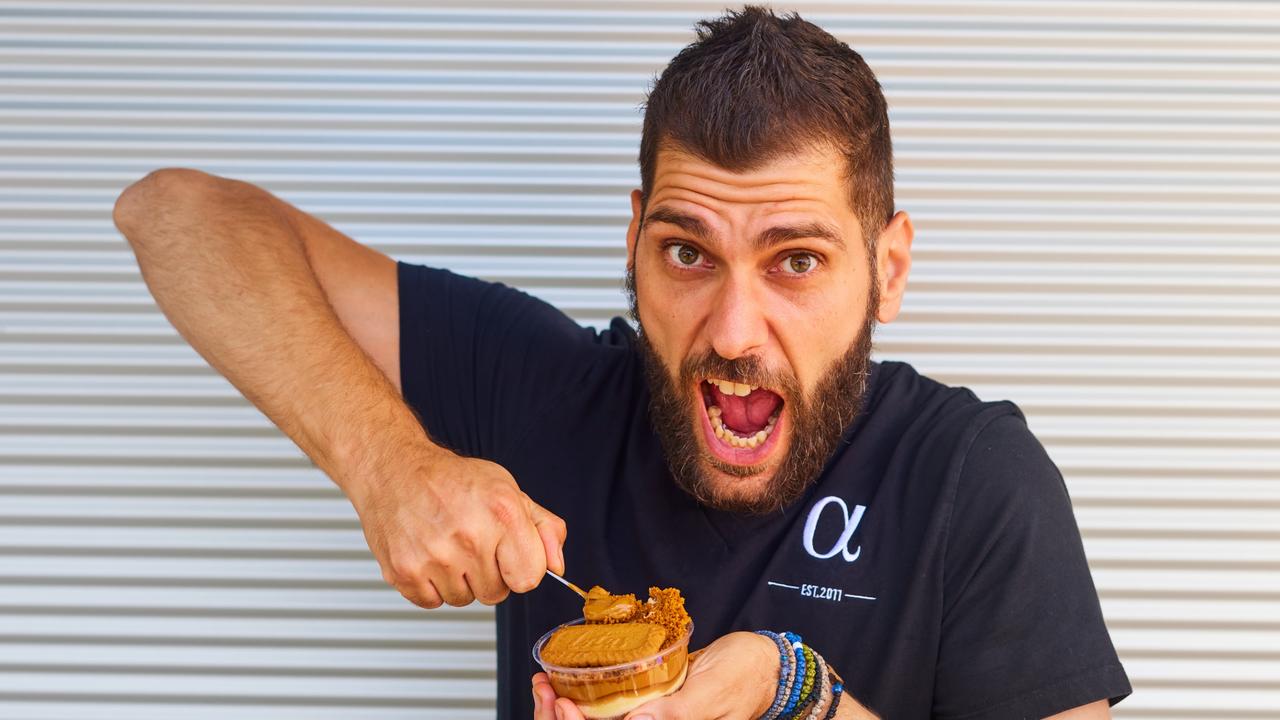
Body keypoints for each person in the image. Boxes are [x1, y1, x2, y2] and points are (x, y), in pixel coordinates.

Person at [112, 6, 1131, 719]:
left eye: (796, 262)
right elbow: (177, 216)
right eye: (687, 253)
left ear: (887, 268)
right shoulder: (550, 392)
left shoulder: (970, 477)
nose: (733, 332)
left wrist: (795, 692)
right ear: (635, 241)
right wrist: (388, 463)